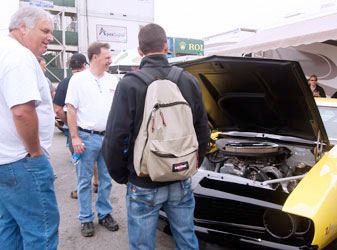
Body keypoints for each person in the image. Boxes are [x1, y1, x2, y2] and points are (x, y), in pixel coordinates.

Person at [102, 23, 210, 250]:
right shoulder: (188, 81)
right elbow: (202, 129)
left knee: (142, 246)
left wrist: (123, 175)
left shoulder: (129, 84)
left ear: (140, 51)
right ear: (167, 47)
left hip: (143, 180)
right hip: (180, 178)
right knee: (187, 240)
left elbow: (114, 137)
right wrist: (191, 163)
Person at [0, 6, 59, 250]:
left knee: (9, 227)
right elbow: (22, 111)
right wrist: (35, 154)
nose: (50, 37)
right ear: (22, 27)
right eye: (45, 30)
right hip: (22, 161)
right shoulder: (19, 56)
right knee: (41, 231)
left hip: (7, 161)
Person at [65, 42, 119, 237]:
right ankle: (86, 218)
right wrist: (74, 138)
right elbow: (71, 109)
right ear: (94, 57)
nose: (110, 61)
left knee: (105, 180)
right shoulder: (78, 80)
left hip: (108, 138)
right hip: (85, 138)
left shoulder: (113, 80)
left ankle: (104, 214)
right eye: (107, 58)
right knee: (84, 181)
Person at [53, 53, 98, 199]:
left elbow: (57, 109)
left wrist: (68, 123)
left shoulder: (65, 82)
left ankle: (81, 189)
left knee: (80, 160)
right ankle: (97, 183)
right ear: (85, 65)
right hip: (94, 127)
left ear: (71, 66)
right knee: (96, 156)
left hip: (76, 130)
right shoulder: (94, 80)